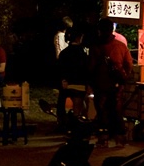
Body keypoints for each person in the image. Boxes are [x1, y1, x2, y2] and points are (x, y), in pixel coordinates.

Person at [87, 18, 133, 147]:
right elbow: (129, 64)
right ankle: (120, 139)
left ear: (99, 30)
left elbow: (90, 67)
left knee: (102, 112)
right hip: (116, 84)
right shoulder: (121, 46)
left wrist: (90, 82)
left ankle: (103, 138)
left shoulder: (95, 47)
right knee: (116, 111)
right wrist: (123, 77)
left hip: (100, 84)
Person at [56, 26, 88, 129]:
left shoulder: (64, 53)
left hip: (66, 84)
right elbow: (86, 69)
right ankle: (77, 125)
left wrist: (63, 80)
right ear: (79, 38)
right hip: (80, 85)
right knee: (80, 106)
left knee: (63, 101)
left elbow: (60, 69)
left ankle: (63, 121)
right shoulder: (82, 53)